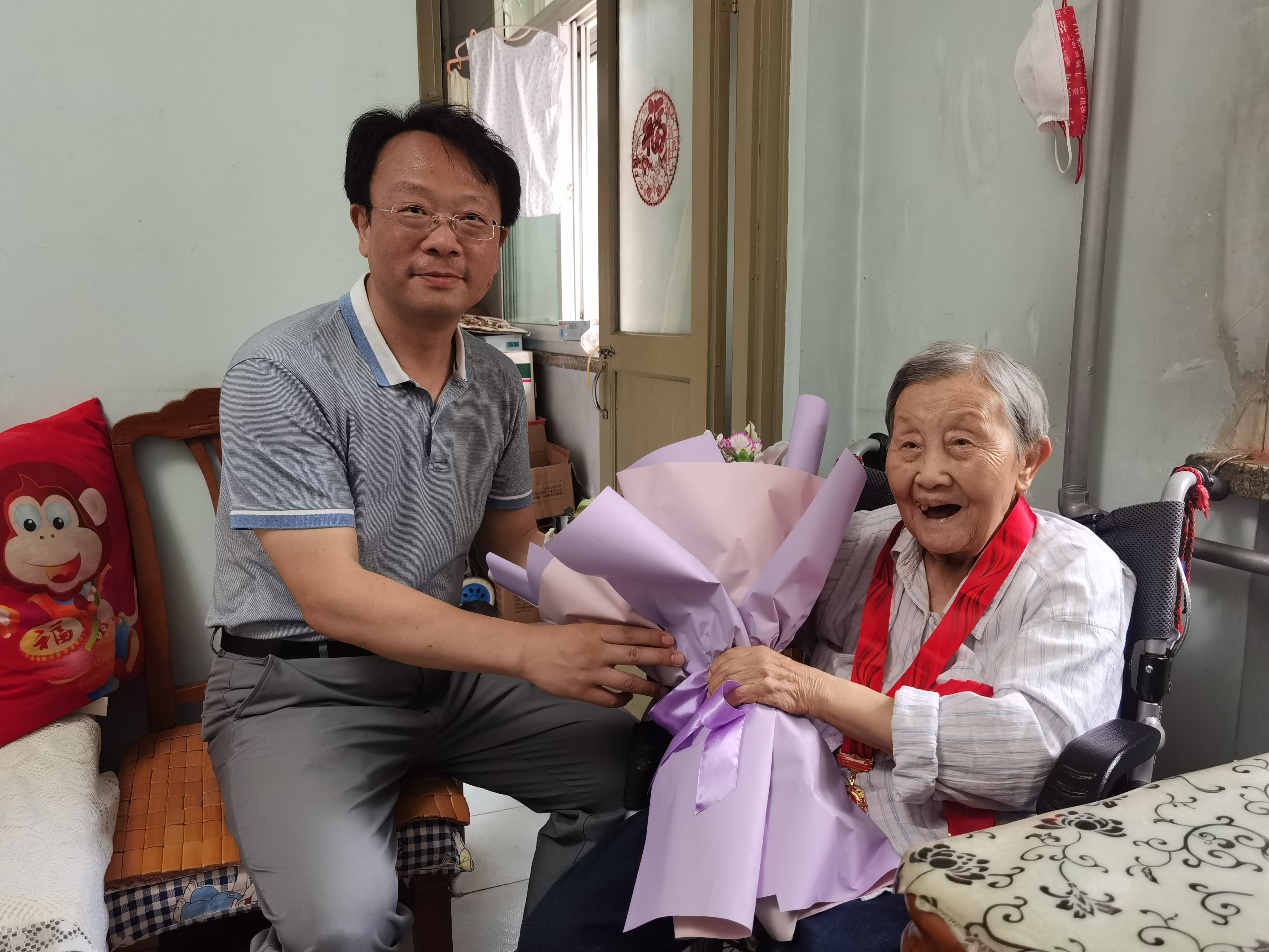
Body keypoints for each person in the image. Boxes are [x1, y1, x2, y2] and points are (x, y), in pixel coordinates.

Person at [201, 101, 683, 952]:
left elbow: (516, 548)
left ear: (498, 243)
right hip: (298, 686)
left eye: (472, 219)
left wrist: (636, 626)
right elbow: (331, 596)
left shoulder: (493, 381)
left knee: (640, 770)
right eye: (414, 210)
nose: (442, 240)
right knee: (344, 928)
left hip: (446, 677)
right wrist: (531, 651)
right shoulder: (280, 371)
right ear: (362, 222)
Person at [517, 340, 1133, 952]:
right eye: (909, 444)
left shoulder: (1071, 572)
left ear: (1029, 460)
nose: (929, 473)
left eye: (962, 443)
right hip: (775, 797)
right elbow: (754, 637)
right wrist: (687, 641)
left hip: (930, 851)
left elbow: (1032, 752)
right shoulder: (853, 543)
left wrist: (813, 689)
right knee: (566, 933)